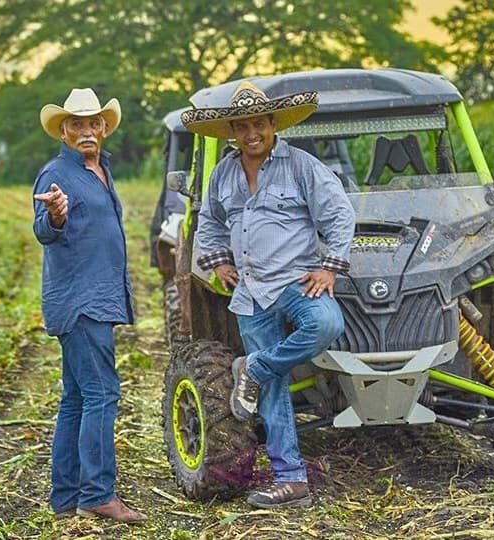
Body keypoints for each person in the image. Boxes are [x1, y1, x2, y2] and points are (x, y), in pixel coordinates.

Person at [180, 81, 355, 509]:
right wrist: (219, 261)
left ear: (273, 123)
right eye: (242, 126)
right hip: (250, 293)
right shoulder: (223, 174)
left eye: (259, 123)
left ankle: (252, 368)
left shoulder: (301, 166)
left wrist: (329, 267)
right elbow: (210, 222)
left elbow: (339, 214)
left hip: (295, 283)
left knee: (327, 323)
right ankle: (291, 480)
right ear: (233, 131)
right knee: (273, 389)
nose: (251, 133)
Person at [32, 88, 146, 524]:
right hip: (81, 302)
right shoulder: (55, 174)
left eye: (93, 123)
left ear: (103, 127)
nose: (86, 130)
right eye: (76, 124)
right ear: (63, 131)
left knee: (77, 397)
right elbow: (44, 228)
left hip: (96, 297)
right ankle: (98, 493)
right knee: (101, 393)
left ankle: (64, 497)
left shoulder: (100, 168)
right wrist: (56, 215)